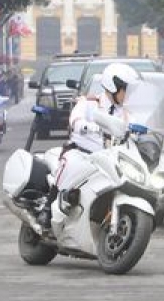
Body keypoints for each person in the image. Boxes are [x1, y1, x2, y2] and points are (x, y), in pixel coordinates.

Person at [39, 63, 139, 228]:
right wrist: (88, 127)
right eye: (126, 90)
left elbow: (135, 128)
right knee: (69, 164)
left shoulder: (126, 113)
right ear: (113, 87)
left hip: (108, 158)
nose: (129, 95)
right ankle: (48, 208)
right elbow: (75, 119)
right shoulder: (89, 103)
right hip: (82, 152)